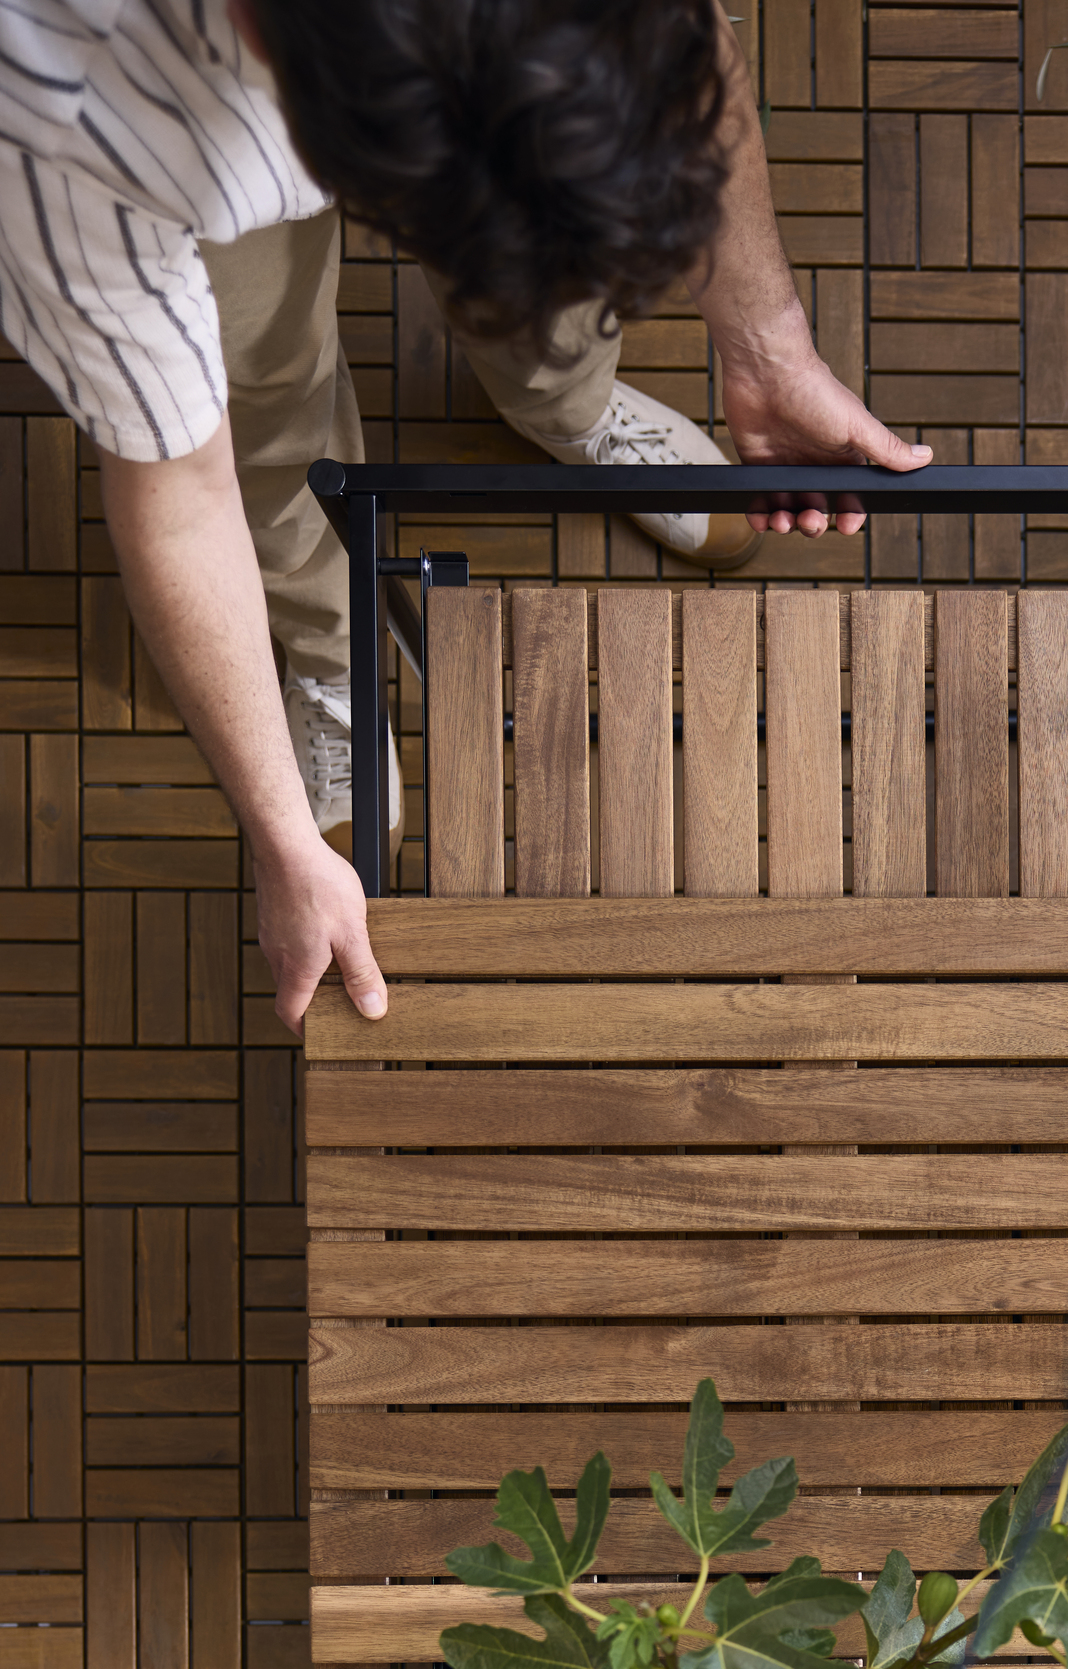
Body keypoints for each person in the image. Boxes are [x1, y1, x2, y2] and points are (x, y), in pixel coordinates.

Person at [0, 0, 928, 1031]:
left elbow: (684, 47)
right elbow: (183, 503)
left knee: (551, 302)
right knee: (262, 391)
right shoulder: (65, 124)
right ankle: (332, 649)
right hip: (170, 150)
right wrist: (282, 841)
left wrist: (770, 343)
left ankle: (567, 405)